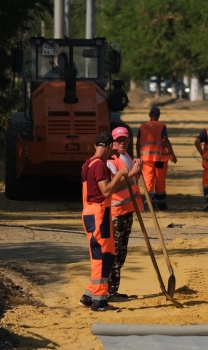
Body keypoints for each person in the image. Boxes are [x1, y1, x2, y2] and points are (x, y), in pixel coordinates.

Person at [78, 132, 128, 312]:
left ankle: (89, 295)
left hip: (91, 212)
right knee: (103, 256)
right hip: (99, 213)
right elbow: (106, 191)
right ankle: (99, 302)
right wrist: (121, 173)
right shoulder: (99, 165)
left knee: (102, 253)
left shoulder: (88, 163)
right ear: (107, 146)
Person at [106, 126, 144, 300]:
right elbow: (114, 185)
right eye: (118, 140)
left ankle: (114, 288)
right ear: (113, 142)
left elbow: (133, 180)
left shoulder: (127, 157)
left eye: (124, 139)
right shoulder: (110, 160)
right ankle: (110, 291)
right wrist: (133, 172)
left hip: (128, 210)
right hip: (116, 212)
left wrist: (137, 171)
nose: (122, 142)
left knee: (122, 252)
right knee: (114, 252)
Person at [137, 106, 177, 211]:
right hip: (160, 159)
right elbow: (165, 140)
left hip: (146, 159)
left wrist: (138, 156)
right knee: (160, 181)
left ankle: (148, 204)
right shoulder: (161, 126)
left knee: (148, 180)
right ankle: (161, 204)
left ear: (149, 115)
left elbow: (138, 142)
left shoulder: (142, 127)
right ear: (158, 116)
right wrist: (172, 154)